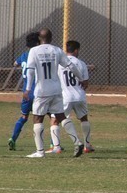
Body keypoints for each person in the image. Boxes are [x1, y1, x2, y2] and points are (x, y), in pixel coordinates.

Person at [23, 28, 85, 158]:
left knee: (37, 118)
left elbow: (30, 70)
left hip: (42, 90)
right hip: (56, 89)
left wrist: (28, 89)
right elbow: (70, 65)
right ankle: (77, 142)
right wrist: (81, 78)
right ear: (51, 38)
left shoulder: (34, 51)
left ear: (39, 39)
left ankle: (40, 151)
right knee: (61, 116)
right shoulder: (57, 50)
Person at [58, 40, 94, 153]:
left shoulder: (59, 64)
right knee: (84, 118)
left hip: (65, 97)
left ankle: (57, 146)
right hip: (79, 96)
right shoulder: (81, 63)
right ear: (76, 50)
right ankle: (87, 145)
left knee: (57, 119)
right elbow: (85, 83)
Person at [8, 32, 40, 150]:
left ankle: (13, 139)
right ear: (38, 43)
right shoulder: (38, 55)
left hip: (26, 93)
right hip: (38, 91)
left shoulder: (24, 55)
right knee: (52, 116)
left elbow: (15, 63)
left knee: (23, 117)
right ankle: (54, 144)